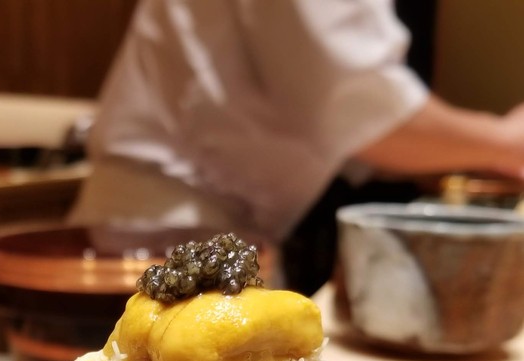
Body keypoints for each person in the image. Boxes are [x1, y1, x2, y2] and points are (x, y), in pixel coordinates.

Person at [69, 0, 524, 293]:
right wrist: (506, 142)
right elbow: (361, 103)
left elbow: (354, 119)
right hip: (166, 229)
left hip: (198, 221)